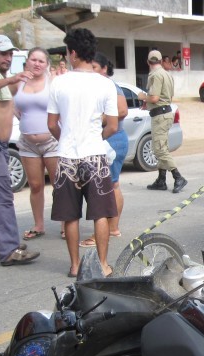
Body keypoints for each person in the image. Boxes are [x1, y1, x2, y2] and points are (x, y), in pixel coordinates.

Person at [47, 28, 118, 278]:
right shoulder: (105, 84)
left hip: (66, 157)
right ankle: (102, 265)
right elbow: (113, 125)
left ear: (73, 53)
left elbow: (51, 124)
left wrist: (66, 139)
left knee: (70, 216)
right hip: (95, 157)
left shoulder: (59, 82)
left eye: (67, 52)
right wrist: (95, 139)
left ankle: (75, 266)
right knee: (100, 214)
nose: (66, 57)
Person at [0, 34, 40, 266]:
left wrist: (33, 72)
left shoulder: (1, 76)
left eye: (9, 54)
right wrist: (10, 79)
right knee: (2, 195)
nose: (7, 57)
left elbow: (14, 91)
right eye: (2, 53)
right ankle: (9, 250)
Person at [79, 52, 129, 248]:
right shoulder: (95, 87)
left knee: (109, 186)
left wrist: (98, 121)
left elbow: (122, 111)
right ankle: (113, 227)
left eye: (94, 68)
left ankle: (108, 229)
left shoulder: (110, 86)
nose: (90, 72)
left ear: (104, 69)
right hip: (110, 139)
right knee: (113, 185)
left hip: (112, 139)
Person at [14, 47, 61, 241]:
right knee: (35, 185)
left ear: (47, 64)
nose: (37, 64)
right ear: (27, 61)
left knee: (59, 185)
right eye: (33, 60)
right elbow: (15, 108)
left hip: (51, 142)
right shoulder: (19, 82)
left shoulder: (53, 82)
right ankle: (38, 225)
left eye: (41, 61)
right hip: (27, 143)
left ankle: (66, 225)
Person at [139, 50, 188, 193]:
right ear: (161, 61)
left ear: (148, 62)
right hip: (166, 113)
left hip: (160, 116)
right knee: (162, 147)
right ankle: (161, 179)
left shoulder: (155, 75)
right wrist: (148, 103)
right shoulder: (167, 74)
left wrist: (143, 97)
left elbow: (154, 98)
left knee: (159, 150)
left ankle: (178, 177)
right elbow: (166, 97)